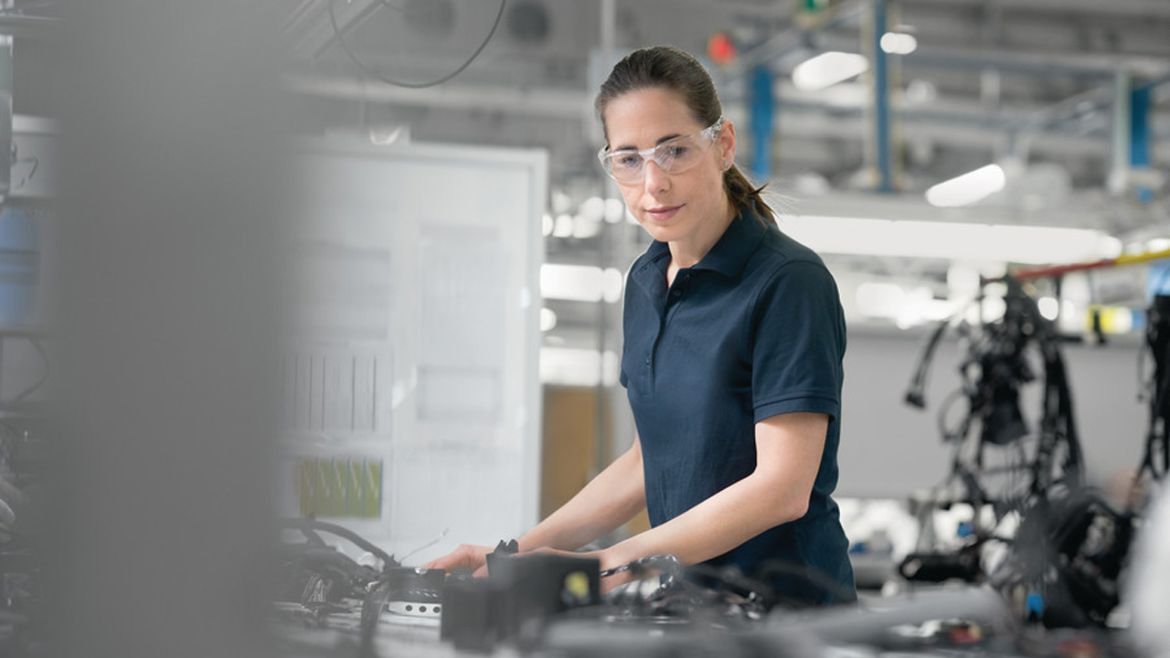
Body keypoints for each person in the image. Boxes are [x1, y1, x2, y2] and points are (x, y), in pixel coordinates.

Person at [426, 45, 855, 607]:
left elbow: (782, 490)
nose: (652, 184)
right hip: (694, 609)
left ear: (722, 144)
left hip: (790, 613)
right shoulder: (648, 280)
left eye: (673, 150)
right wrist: (514, 559)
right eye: (628, 159)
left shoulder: (787, 282)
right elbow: (645, 462)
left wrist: (608, 565)